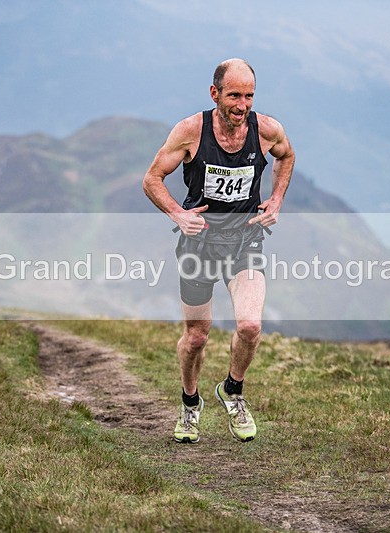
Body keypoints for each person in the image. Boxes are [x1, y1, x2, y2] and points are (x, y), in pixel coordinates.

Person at [143, 58, 295, 443]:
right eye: (234, 96)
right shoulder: (191, 131)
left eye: (249, 96)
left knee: (250, 326)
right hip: (198, 245)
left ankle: (233, 390)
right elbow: (152, 178)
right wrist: (179, 214)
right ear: (215, 94)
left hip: (245, 241)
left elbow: (287, 155)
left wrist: (275, 199)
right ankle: (190, 404)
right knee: (196, 337)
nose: (242, 105)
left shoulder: (267, 130)